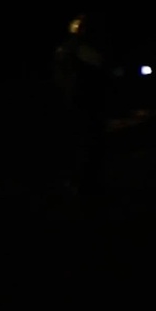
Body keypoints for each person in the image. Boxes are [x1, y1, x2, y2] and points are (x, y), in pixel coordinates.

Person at [52, 14, 110, 197]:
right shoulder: (80, 47)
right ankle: (85, 182)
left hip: (68, 99)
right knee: (89, 141)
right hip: (84, 99)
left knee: (74, 141)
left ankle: (74, 180)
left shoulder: (63, 48)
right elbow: (100, 63)